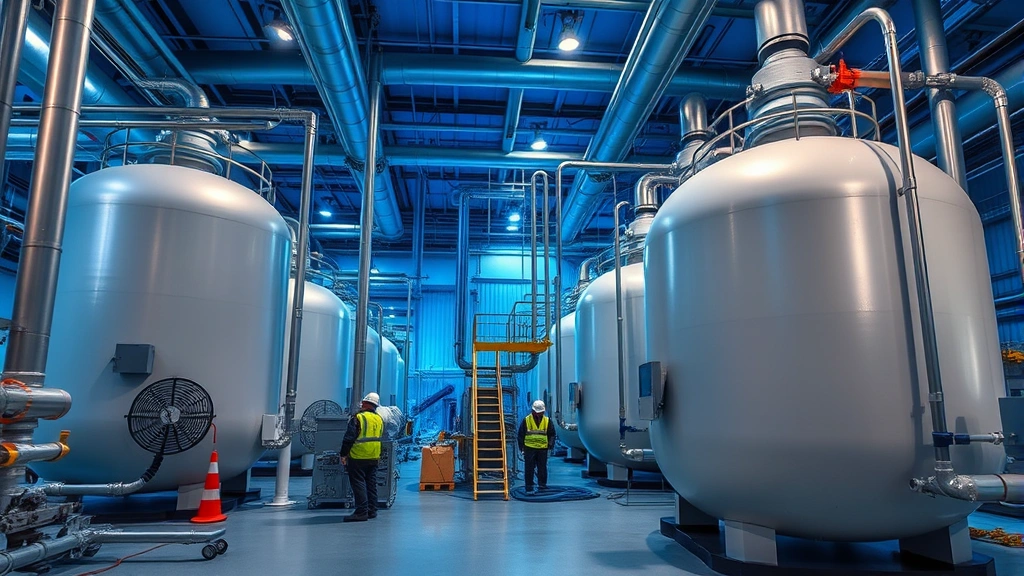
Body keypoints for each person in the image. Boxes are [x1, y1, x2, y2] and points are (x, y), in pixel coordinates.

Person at [340, 392, 385, 522]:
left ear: (365, 403)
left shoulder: (358, 418)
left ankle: (361, 512)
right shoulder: (379, 419)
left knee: (358, 484)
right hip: (374, 456)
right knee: (371, 484)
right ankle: (372, 510)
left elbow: (349, 438)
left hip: (358, 456)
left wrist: (343, 454)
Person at [517, 400, 556, 495]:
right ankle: (529, 486)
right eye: (538, 412)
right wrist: (521, 448)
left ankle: (542, 485)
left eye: (541, 412)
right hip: (529, 448)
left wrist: (550, 446)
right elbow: (521, 435)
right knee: (529, 468)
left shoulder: (547, 421)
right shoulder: (527, 420)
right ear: (533, 411)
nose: (539, 414)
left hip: (542, 448)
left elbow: (552, 434)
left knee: (542, 468)